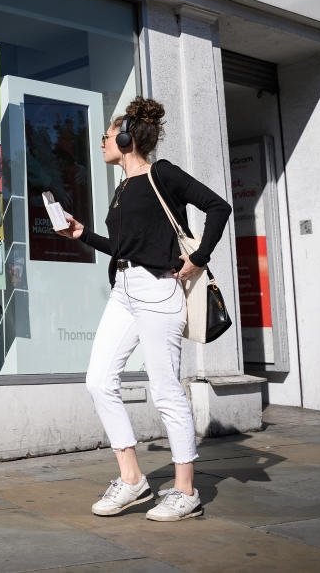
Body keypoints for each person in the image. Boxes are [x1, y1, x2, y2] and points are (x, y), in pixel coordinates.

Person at [55, 96, 230, 522]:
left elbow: (218, 207)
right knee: (98, 380)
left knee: (165, 388)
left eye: (107, 135)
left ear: (128, 138)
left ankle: (186, 490)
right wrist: (83, 234)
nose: (101, 142)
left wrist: (199, 257)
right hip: (125, 290)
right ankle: (132, 479)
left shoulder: (161, 174)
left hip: (159, 289)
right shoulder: (121, 188)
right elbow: (124, 248)